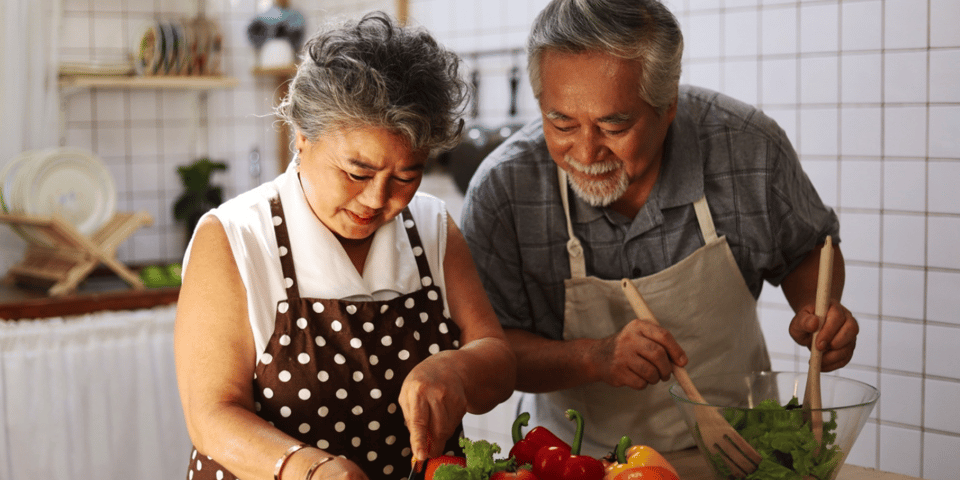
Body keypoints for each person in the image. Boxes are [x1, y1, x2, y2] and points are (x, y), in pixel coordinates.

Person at [460, 0, 859, 456]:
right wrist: (594, 357)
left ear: (667, 105)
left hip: (738, 455)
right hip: (578, 460)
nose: (586, 152)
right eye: (561, 122)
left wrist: (817, 313)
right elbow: (492, 354)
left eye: (614, 124)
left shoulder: (747, 147)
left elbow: (808, 249)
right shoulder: (504, 190)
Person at [174, 12, 516, 480]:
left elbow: (497, 361)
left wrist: (457, 369)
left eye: (405, 176)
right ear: (302, 136)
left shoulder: (432, 227)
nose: (379, 200)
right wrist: (308, 470)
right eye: (357, 173)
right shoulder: (235, 237)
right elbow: (210, 416)